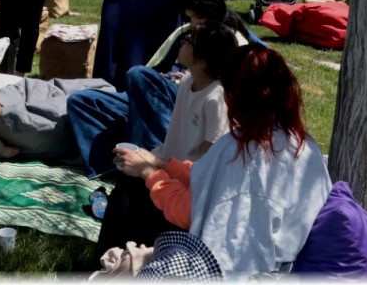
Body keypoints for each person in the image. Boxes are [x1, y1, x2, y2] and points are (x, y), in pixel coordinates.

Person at [116, 44, 331, 279]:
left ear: (231, 97)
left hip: (247, 272)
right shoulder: (303, 144)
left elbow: (189, 213)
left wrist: (149, 174)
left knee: (130, 191)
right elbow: (209, 179)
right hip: (289, 262)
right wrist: (161, 163)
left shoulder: (241, 152)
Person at [67, 0, 256, 178]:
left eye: (198, 17)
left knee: (137, 76)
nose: (193, 25)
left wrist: (191, 76)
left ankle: (146, 166)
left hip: (180, 103)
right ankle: (112, 168)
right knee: (82, 102)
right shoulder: (189, 40)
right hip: (162, 96)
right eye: (190, 18)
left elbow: (231, 94)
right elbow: (160, 67)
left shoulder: (229, 43)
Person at [93, 21, 237, 257]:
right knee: (127, 180)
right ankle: (111, 258)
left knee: (131, 193)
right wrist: (153, 161)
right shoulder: (189, 80)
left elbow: (208, 169)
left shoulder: (215, 98)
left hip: (186, 189)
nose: (182, 42)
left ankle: (118, 259)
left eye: (188, 41)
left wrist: (153, 169)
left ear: (202, 59)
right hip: (171, 166)